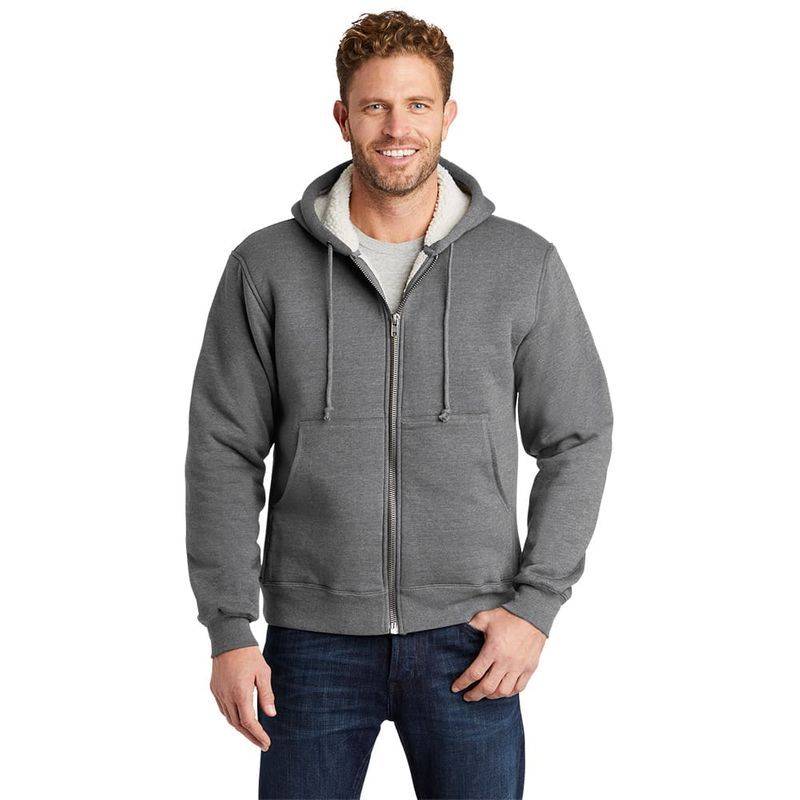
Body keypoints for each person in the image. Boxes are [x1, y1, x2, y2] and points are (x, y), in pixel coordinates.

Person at [184, 9, 613, 799]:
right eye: (375, 105)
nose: (396, 127)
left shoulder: (521, 263)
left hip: (472, 639)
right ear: (342, 116)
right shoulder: (266, 266)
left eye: (417, 104)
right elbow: (224, 448)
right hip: (310, 641)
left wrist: (536, 608)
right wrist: (228, 627)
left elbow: (578, 437)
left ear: (449, 115)